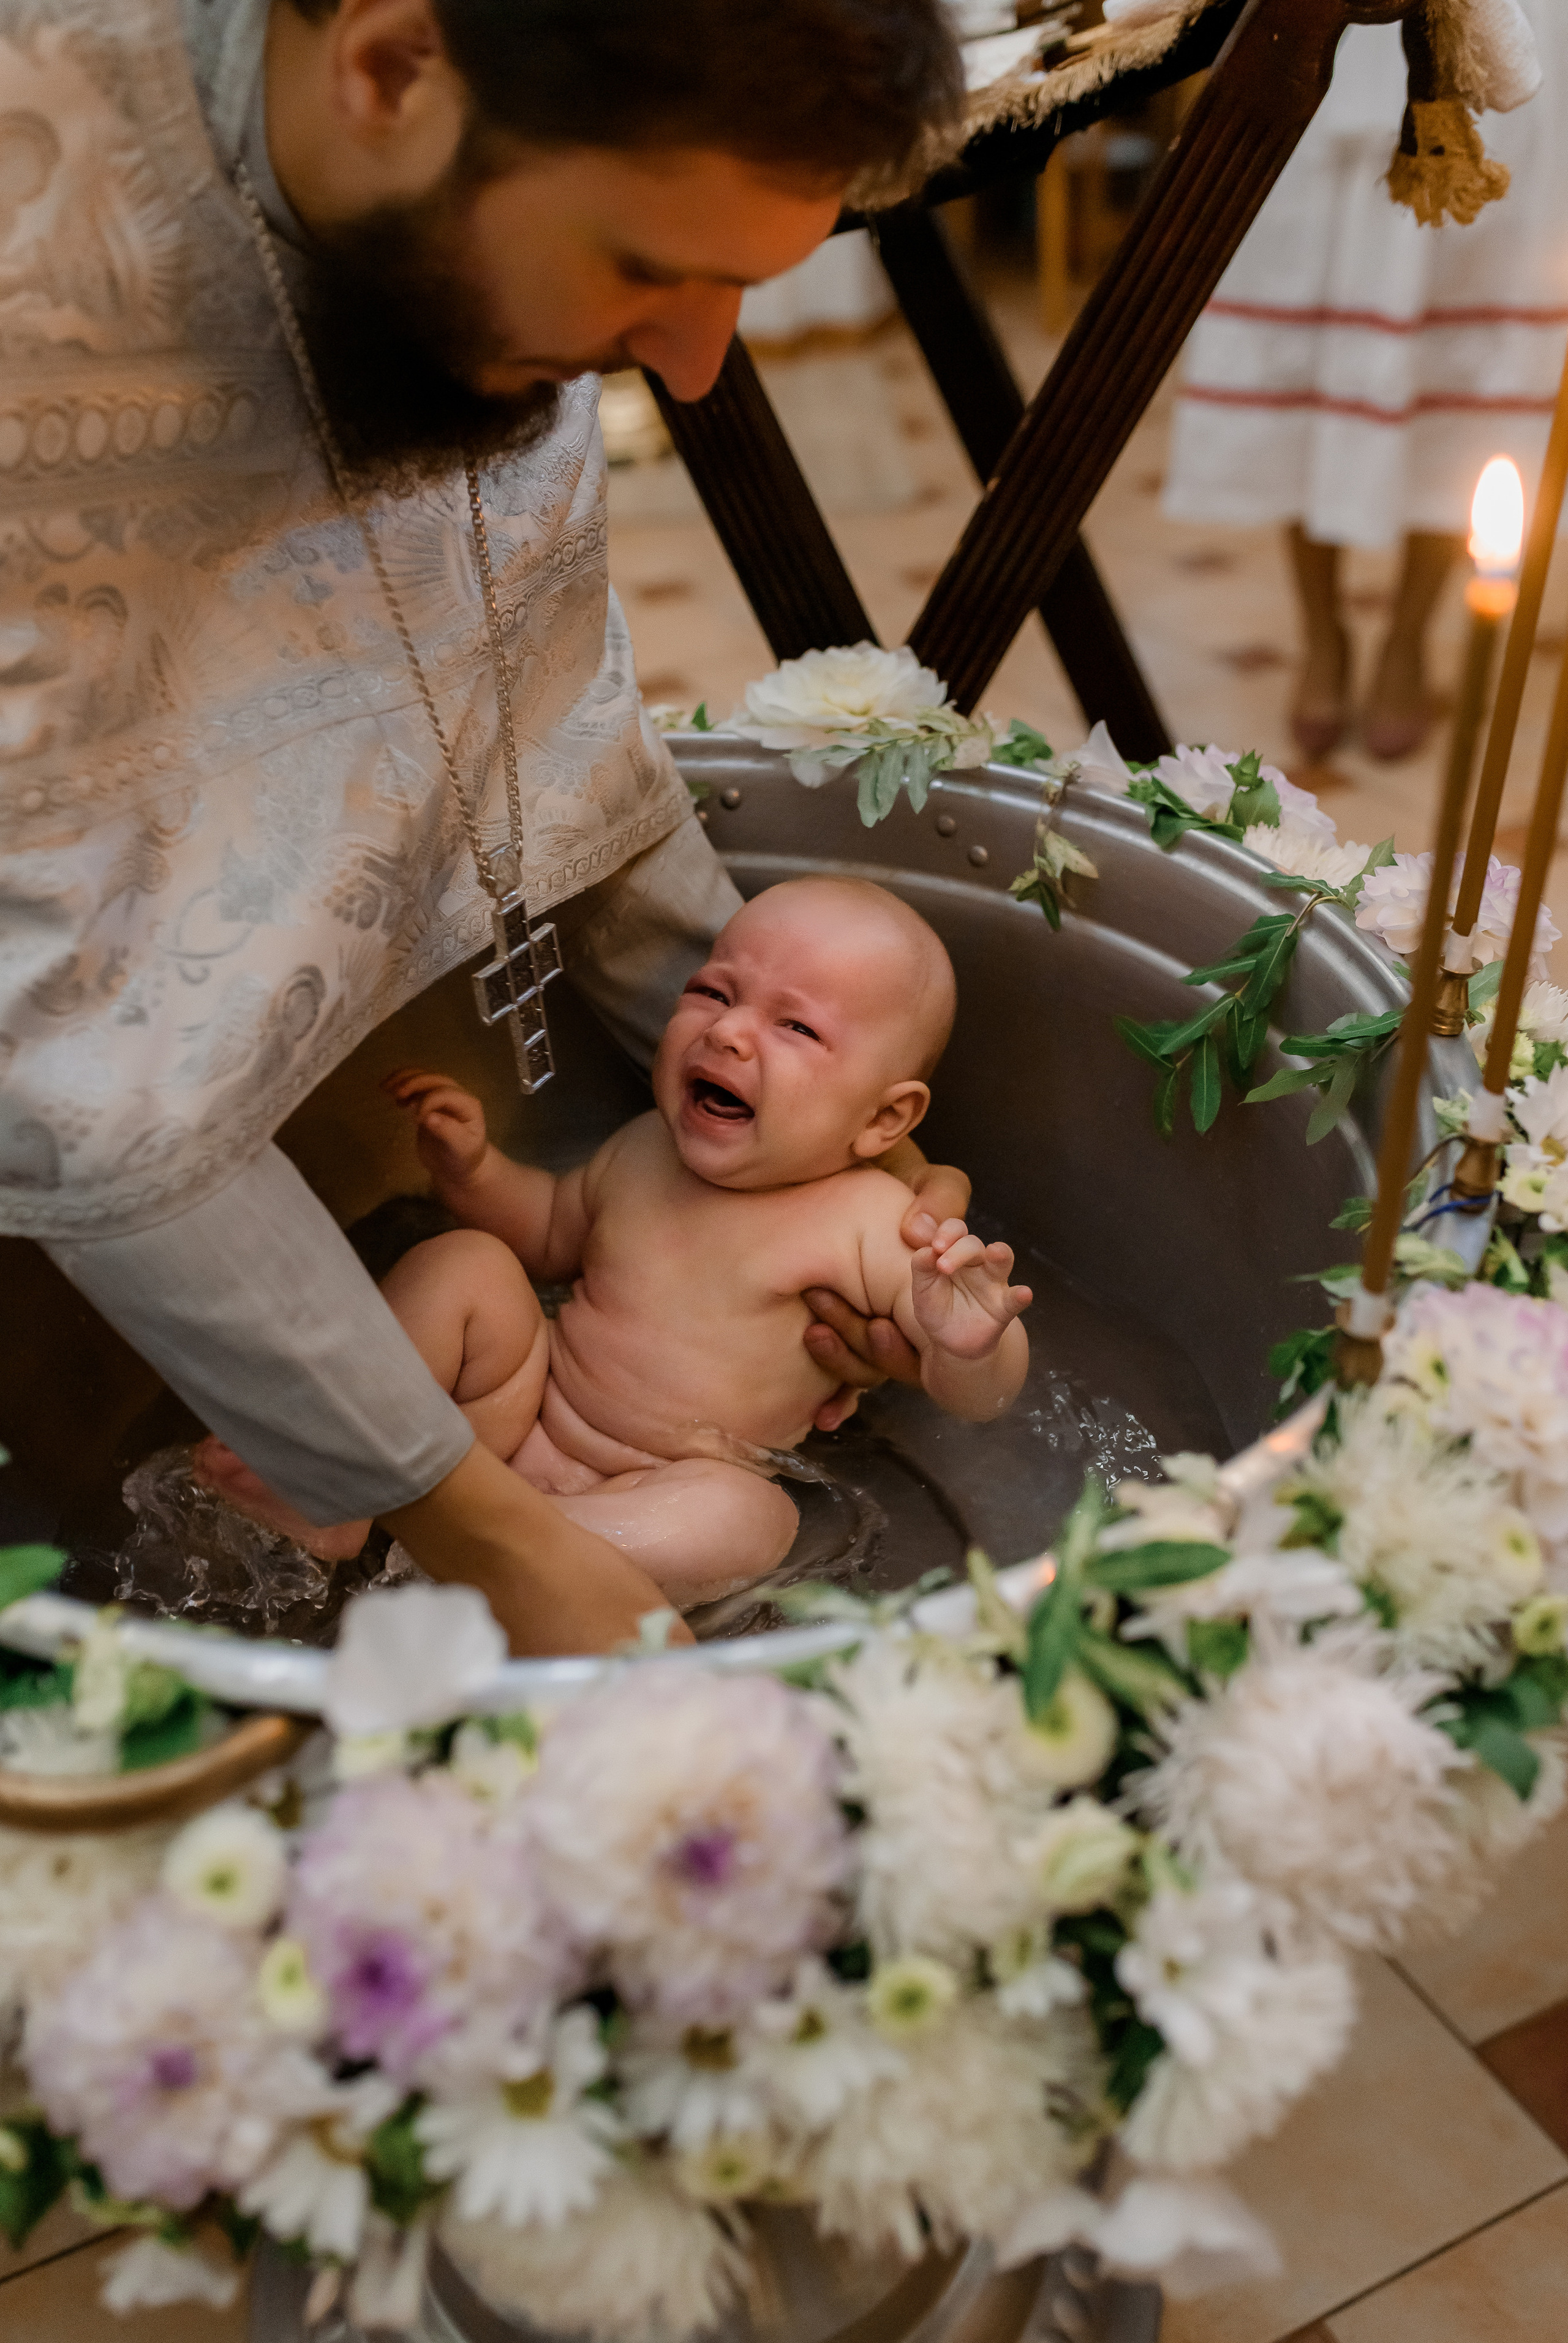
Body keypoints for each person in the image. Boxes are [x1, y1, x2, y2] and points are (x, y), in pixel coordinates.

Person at [0, 0, 968, 1653]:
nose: (699, 364)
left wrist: (871, 1175)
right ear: (387, 65)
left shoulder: (454, 199)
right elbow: (59, 996)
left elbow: (518, 698)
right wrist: (481, 1527)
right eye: (646, 264)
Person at [195, 878, 1033, 1604]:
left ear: (885, 1117)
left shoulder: (872, 1222)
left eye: (798, 1029)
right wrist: (476, 1173)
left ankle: (492, 1542)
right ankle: (342, 1468)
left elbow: (981, 1395)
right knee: (470, 1263)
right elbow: (551, 1234)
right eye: (712, 991)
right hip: (516, 1414)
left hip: (655, 1489)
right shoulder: (645, 1147)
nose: (728, 1033)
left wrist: (969, 1345)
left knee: (750, 1516)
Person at [1163, 4, 1566, 762]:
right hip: (1315, 34)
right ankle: (1322, 631)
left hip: (1493, 40)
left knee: (1453, 364)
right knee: (1314, 356)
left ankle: (1407, 636)